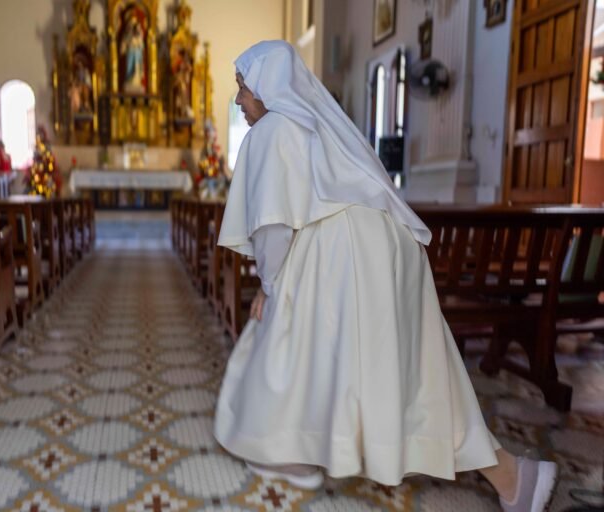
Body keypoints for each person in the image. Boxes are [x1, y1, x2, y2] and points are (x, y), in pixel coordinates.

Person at [214, 40, 558, 512]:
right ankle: (513, 477)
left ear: (267, 88)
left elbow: (274, 227)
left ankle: (292, 456)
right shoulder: (312, 125)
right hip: (382, 246)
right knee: (414, 371)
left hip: (344, 253)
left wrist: (269, 288)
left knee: (285, 340)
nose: (239, 102)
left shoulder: (272, 131)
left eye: (242, 89)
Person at [120, 15, 145, 94]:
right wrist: (123, 47)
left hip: (137, 53)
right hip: (130, 52)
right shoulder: (127, 35)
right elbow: (124, 44)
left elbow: (141, 45)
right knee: (130, 66)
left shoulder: (138, 34)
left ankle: (136, 81)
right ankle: (129, 79)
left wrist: (138, 40)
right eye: (130, 24)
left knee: (137, 67)